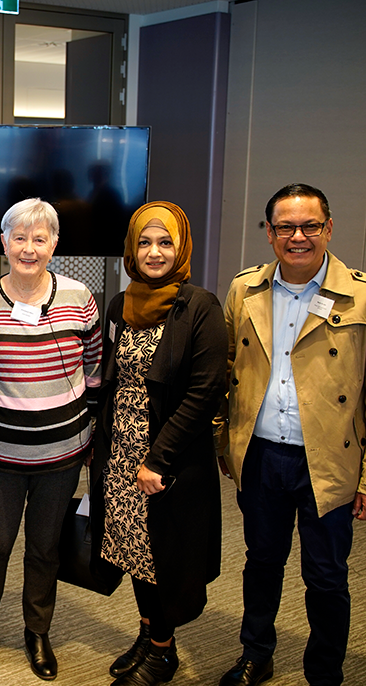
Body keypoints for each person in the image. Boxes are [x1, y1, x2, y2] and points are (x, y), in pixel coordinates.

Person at [215, 183, 366, 686]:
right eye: (285, 227)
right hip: (260, 456)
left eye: (309, 226)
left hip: (328, 460)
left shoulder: (361, 295)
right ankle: (256, 654)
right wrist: (225, 439)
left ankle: (324, 672)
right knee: (261, 563)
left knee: (326, 576)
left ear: (328, 229)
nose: (297, 236)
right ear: (269, 232)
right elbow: (227, 368)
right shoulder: (244, 289)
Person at [0, 198, 102, 680]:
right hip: (0, 452)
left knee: (45, 548)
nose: (29, 248)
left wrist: (89, 439)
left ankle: (37, 631)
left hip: (63, 452)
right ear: (3, 243)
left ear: (54, 244)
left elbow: (95, 368)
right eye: (19, 238)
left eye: (39, 239)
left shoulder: (79, 296)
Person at [92, 201, 227, 686]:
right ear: (132, 248)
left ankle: (164, 651)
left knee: (166, 554)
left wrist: (158, 459)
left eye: (165, 242)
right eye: (145, 242)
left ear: (181, 247)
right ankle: (148, 633)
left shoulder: (199, 306)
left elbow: (204, 390)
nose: (154, 252)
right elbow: (112, 379)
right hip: (120, 452)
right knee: (134, 549)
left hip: (167, 458)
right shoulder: (119, 304)